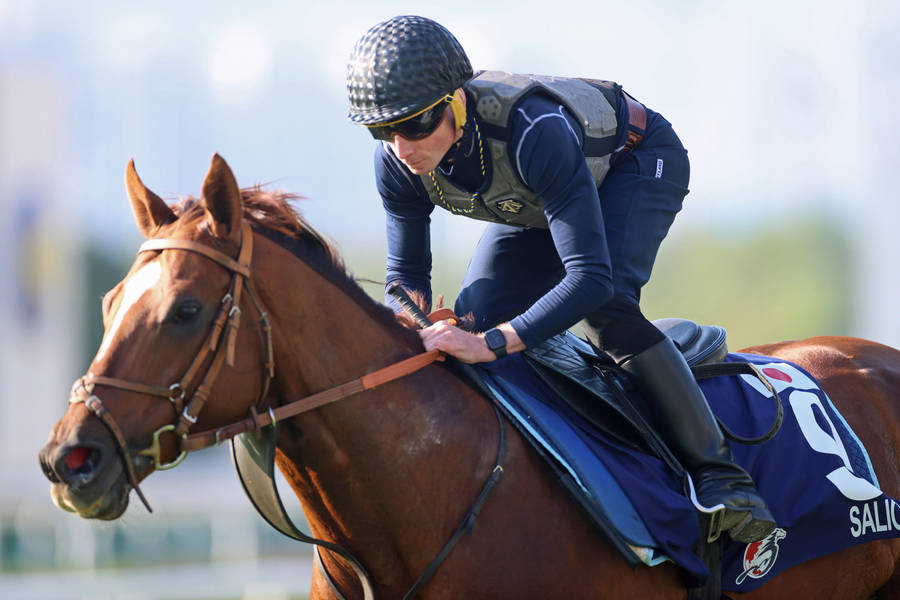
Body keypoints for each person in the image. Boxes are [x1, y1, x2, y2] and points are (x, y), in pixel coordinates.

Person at [346, 14, 776, 544]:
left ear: (457, 101)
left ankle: (723, 479)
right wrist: (417, 324)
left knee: (607, 307)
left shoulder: (533, 130)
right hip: (542, 201)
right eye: (382, 130)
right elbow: (405, 276)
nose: (402, 147)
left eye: (414, 125)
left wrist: (491, 343)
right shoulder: (394, 163)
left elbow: (589, 279)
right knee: (473, 316)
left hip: (636, 161)